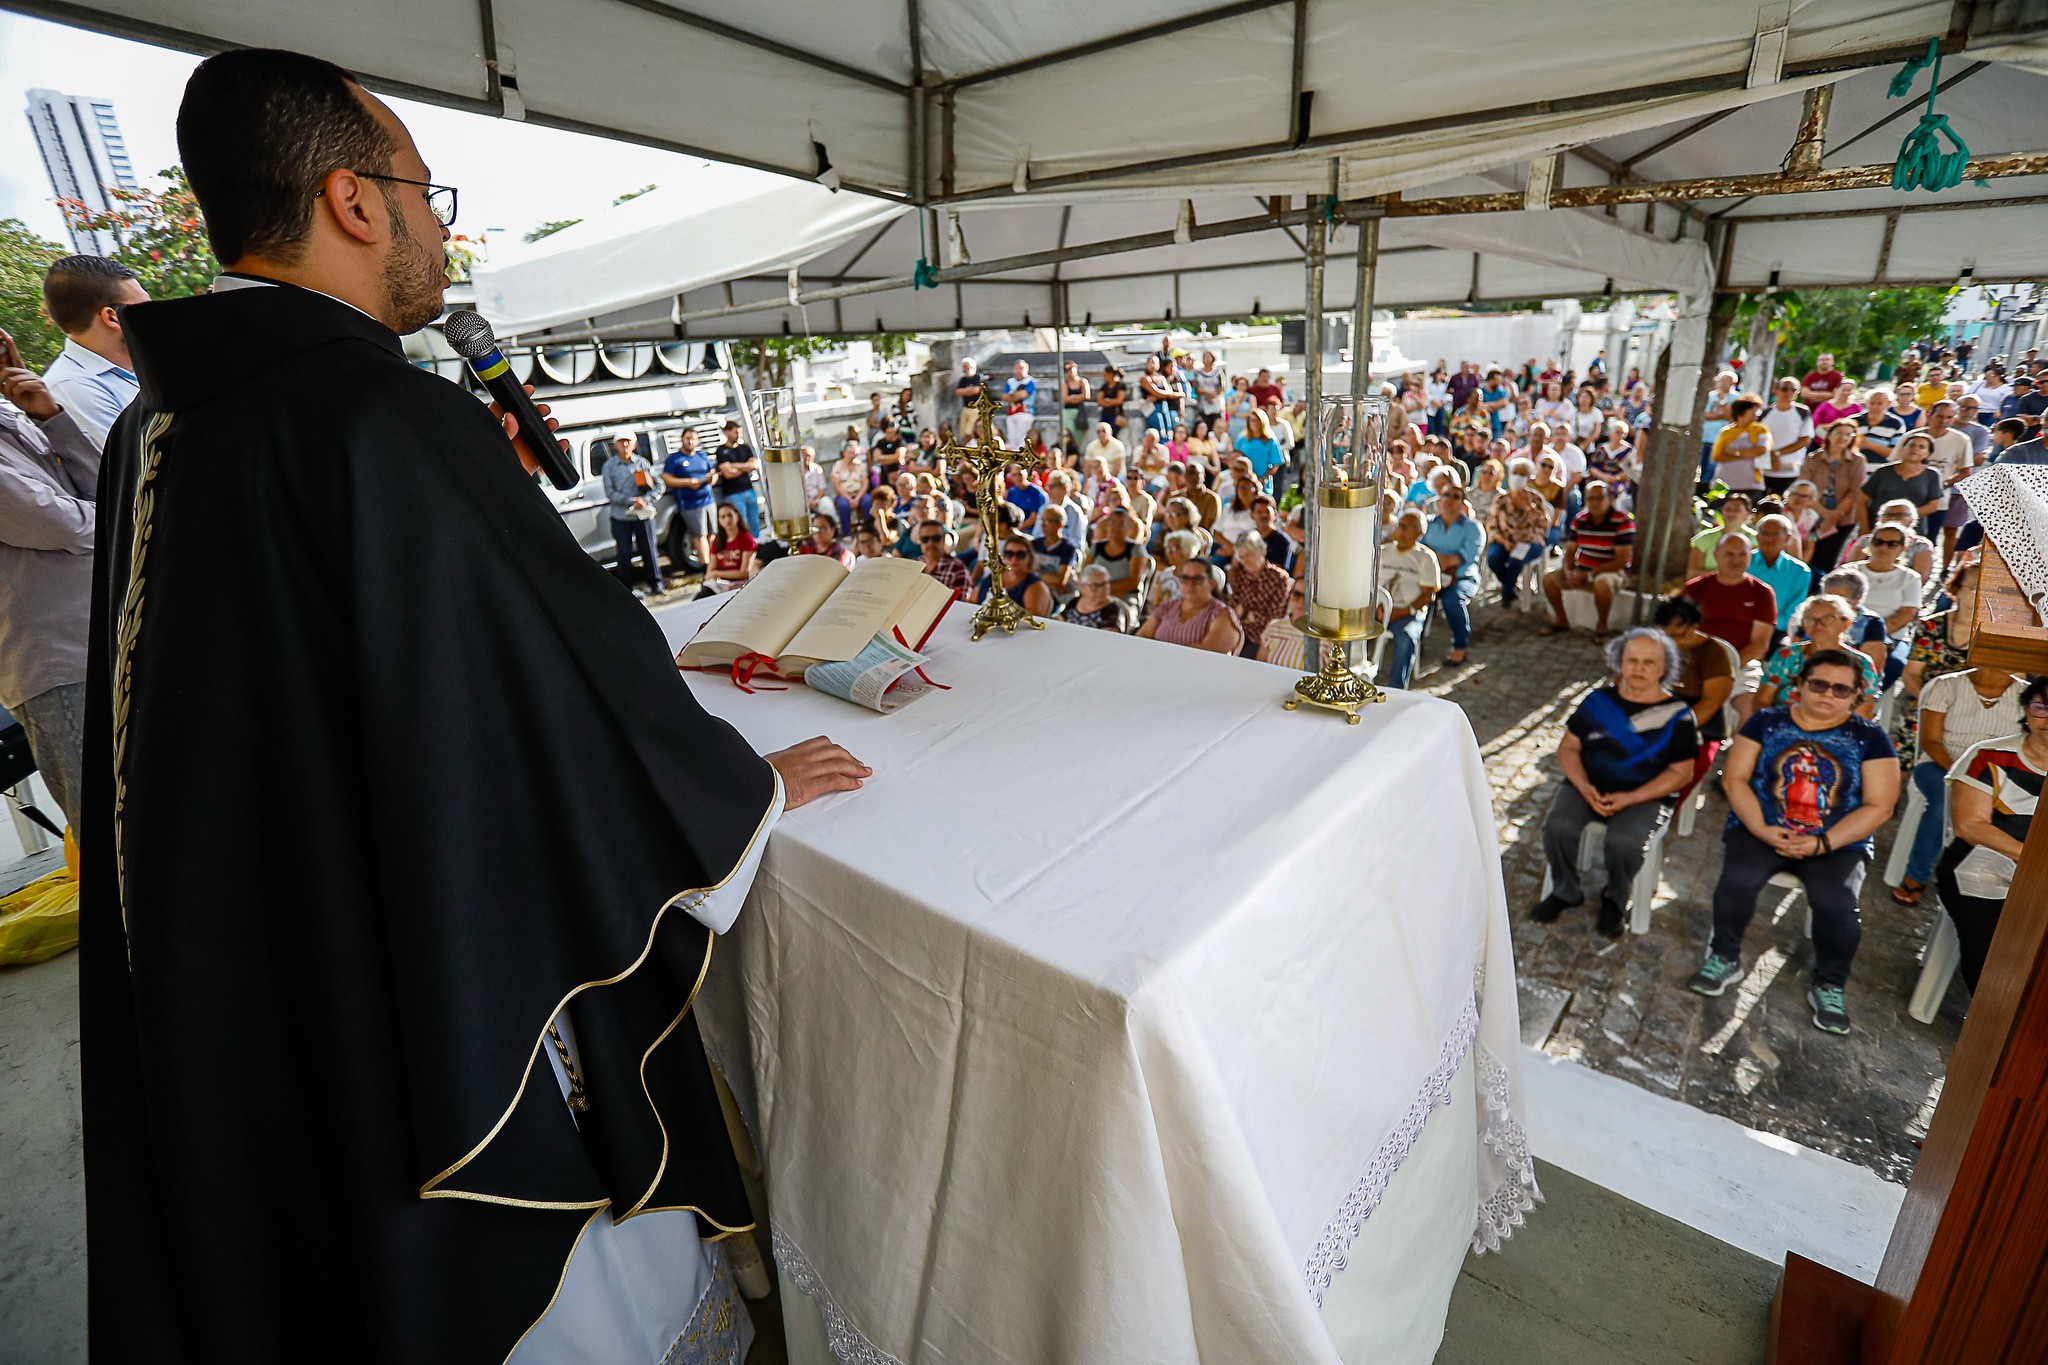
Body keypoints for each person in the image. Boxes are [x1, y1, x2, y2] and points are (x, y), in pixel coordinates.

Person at [84, 48, 872, 1365]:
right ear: (352, 199)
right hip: (414, 1012)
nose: (440, 226)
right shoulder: (377, 417)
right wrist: (748, 782)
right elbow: (567, 704)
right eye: (424, 190)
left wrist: (470, 517)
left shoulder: (154, 431)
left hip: (251, 990)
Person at [1687, 649, 1900, 1035]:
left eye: (1840, 689)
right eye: (1818, 684)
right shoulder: (1766, 723)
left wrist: (1822, 843)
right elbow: (1734, 778)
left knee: (1837, 904)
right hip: (1761, 827)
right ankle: (1725, 956)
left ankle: (1830, 982)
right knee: (1738, 881)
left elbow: (1880, 806)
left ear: (1856, 695)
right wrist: (1761, 828)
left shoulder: (1870, 739)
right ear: (1799, 685)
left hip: (1836, 841)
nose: (1827, 694)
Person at [1532, 629, 1701, 937]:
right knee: (1558, 828)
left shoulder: (1678, 715)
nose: (1639, 668)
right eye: (1632, 660)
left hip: (1646, 794)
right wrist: (1583, 787)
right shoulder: (1598, 701)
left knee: (1624, 844)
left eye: (1649, 662)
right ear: (1619, 663)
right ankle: (1566, 890)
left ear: (1665, 668)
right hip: (1589, 785)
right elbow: (1569, 747)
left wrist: (1630, 798)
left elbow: (1681, 773)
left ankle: (1615, 897)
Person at [0, 328, 97, 831]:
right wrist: (124, 519)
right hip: (57, 662)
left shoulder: (17, 416)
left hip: (103, 636)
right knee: (114, 831)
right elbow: (56, 522)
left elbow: (103, 485)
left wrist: (50, 417)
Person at [1936, 679, 2048, 991]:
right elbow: (1969, 825)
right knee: (1993, 948)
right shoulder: (1990, 755)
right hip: (1981, 866)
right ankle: (1990, 1019)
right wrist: (2033, 861)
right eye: (2042, 707)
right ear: (2026, 710)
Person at [1894, 664, 2029, 908]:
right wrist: (1964, 775)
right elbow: (1931, 741)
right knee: (1941, 804)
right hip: (1941, 764)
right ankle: (1916, 875)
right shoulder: (1946, 685)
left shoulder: (2027, 695)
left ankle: (1978, 888)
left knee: (2013, 813)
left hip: (1998, 775)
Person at [38, 254, 148, 447]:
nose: (157, 316)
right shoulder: (72, 387)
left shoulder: (138, 367)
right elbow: (138, 464)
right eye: (146, 307)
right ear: (112, 317)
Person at [1684, 533, 1778, 726]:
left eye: (1742, 554)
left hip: (1742, 664)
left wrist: (1727, 668)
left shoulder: (1762, 593)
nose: (1736, 560)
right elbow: (1680, 633)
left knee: (1750, 712)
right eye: (1729, 554)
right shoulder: (1695, 589)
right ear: (1716, 555)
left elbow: (1759, 644)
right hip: (1696, 662)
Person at [1755, 594, 1882, 713]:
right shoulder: (1787, 655)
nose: (1818, 625)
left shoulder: (1861, 663)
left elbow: (1863, 712)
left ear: (1846, 624)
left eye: (1828, 619)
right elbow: (1762, 700)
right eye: (1810, 620)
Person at [1541, 480, 1633, 641]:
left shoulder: (1623, 521)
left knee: (1602, 584)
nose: (1594, 503)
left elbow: (1620, 560)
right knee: (1549, 578)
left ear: (1610, 499)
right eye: (1590, 498)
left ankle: (1602, 626)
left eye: (1599, 498)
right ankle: (1561, 620)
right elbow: (1570, 552)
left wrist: (1588, 575)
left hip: (1612, 571)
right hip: (1583, 568)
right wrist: (1569, 572)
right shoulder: (1580, 519)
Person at [1656, 595, 1736, 766]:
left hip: (1700, 726)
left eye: (1679, 635)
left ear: (1695, 626)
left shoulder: (1714, 653)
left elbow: (1711, 703)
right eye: (1667, 637)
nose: (1673, 643)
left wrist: (1672, 731)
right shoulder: (1657, 645)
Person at [1378, 507, 1441, 689]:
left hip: (1408, 612)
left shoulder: (1426, 557)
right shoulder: (1383, 551)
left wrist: (1403, 611)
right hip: (1378, 609)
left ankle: (1397, 689)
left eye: (1408, 527)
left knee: (1407, 639)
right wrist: (1377, 607)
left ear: (1419, 533)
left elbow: (1428, 594)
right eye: (1401, 525)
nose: (1402, 530)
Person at [1423, 485, 1484, 666]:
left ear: (1462, 503)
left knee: (1453, 599)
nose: (1450, 500)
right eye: (1446, 495)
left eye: (1456, 496)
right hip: (1430, 575)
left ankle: (1460, 646)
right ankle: (1414, 639)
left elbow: (1466, 555)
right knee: (1416, 594)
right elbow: (1418, 548)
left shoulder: (1473, 527)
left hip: (1461, 577)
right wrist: (1438, 559)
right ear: (1439, 500)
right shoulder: (1428, 524)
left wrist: (1440, 558)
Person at [1797, 419, 1867, 575]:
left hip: (1842, 519)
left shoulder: (1857, 460)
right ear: (1829, 435)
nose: (1843, 438)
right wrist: (1825, 514)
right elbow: (1803, 487)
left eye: (1848, 434)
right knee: (1808, 554)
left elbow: (1855, 491)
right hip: (1812, 516)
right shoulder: (1813, 458)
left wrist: (1834, 516)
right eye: (1839, 433)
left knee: (1828, 558)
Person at [602, 433, 664, 596]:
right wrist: (631, 501)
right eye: (621, 442)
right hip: (621, 516)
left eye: (628, 442)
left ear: (634, 445)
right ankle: (626, 590)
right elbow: (610, 492)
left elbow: (659, 486)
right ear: (615, 445)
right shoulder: (609, 466)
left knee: (649, 549)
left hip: (642, 515)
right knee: (623, 552)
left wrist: (645, 499)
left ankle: (656, 584)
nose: (625, 446)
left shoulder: (642, 462)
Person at [1138, 558, 1242, 653]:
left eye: (1197, 579)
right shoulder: (1167, 607)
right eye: (1185, 578)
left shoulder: (1221, 614)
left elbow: (1211, 652)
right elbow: (1141, 638)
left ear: (1212, 584)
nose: (1190, 584)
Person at [1486, 463, 1551, 606]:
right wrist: (1504, 542)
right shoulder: (1500, 499)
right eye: (1515, 473)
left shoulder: (1535, 499)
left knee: (1516, 560)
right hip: (1504, 539)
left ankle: (1507, 593)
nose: (1517, 478)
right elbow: (1492, 526)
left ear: (1529, 478)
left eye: (1522, 474)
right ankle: (1510, 587)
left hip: (1530, 541)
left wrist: (1529, 507)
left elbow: (1544, 525)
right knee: (1493, 559)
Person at [1862, 430, 1944, 538]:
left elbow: (1932, 506)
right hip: (1878, 529)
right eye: (1911, 445)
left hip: (1913, 532)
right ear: (1902, 448)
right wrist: (1864, 528)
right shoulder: (1883, 471)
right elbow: (1862, 500)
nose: (1915, 449)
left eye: (1921, 447)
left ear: (1928, 453)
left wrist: (1903, 518)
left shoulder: (1932, 475)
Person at [660, 425, 716, 571]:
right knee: (700, 536)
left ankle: (715, 565)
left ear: (697, 441)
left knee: (712, 535)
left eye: (693, 439)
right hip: (690, 504)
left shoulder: (702, 456)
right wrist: (688, 482)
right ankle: (706, 568)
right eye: (687, 439)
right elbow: (667, 478)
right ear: (682, 440)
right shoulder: (675, 459)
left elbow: (713, 472)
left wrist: (712, 479)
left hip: (709, 501)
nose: (690, 442)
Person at [1227, 532, 1291, 655]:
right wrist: (1248, 616)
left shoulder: (1279, 578)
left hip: (1262, 638)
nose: (1245, 561)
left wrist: (1245, 613)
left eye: (1248, 555)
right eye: (1241, 557)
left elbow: (1275, 618)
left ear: (1262, 550)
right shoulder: (1242, 576)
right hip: (1237, 633)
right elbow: (1232, 610)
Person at [1748, 514, 1810, 636]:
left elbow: (1793, 611)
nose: (1770, 539)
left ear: (1788, 538)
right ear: (1757, 536)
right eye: (1765, 534)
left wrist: (1765, 626)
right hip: (1738, 625)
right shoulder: (1742, 562)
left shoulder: (1800, 571)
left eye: (1776, 534)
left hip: (1777, 632)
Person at [975, 532, 1053, 617]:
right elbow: (972, 602)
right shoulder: (993, 577)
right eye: (1009, 554)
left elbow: (1033, 620)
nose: (1014, 559)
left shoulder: (1036, 585)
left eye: (1020, 555)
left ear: (1029, 557)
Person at [1758, 377, 1813, 496]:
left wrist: (1777, 454)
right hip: (1764, 468)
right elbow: (1758, 439)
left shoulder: (1803, 412)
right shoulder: (1765, 413)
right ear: (1775, 390)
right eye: (1784, 389)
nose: (1789, 393)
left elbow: (1804, 441)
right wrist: (1771, 457)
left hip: (1790, 470)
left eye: (1793, 390)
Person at [709, 418, 761, 537]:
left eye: (740, 432)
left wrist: (734, 465)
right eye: (735, 432)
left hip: (749, 490)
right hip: (733, 493)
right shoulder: (722, 450)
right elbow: (728, 473)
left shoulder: (745, 447)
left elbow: (754, 465)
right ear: (727, 432)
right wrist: (745, 468)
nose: (738, 435)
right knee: (741, 523)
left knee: (755, 521)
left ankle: (756, 545)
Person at [1710, 393, 1771, 493]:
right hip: (1723, 482)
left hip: (1751, 484)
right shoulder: (1726, 432)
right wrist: (1746, 454)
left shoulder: (1760, 430)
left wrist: (1734, 452)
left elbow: (1761, 450)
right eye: (1753, 410)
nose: (1757, 413)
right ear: (1741, 412)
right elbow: (1717, 456)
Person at [1686, 492, 1757, 577]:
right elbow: (1692, 573)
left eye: (1737, 510)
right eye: (1728, 509)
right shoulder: (1705, 538)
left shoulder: (1757, 539)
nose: (1731, 513)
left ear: (1747, 514)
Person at [694, 500, 756, 596]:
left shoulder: (746, 539)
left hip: (741, 584)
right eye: (723, 517)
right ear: (718, 520)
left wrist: (717, 574)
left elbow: (744, 573)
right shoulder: (717, 540)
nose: (727, 520)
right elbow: (710, 570)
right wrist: (715, 574)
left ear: (737, 516)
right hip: (719, 583)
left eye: (730, 515)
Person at [1059, 563, 1133, 632]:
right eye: (1095, 586)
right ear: (1082, 587)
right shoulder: (1074, 602)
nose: (1101, 589)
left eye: (1104, 584)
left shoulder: (1113, 610)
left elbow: (1108, 638)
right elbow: (1059, 623)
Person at [1029, 504, 1079, 599]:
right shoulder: (1034, 544)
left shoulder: (1068, 548)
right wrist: (1050, 582)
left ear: (1059, 524)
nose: (1043, 525)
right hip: (1035, 591)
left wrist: (1034, 575)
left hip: (1056, 597)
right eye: (1042, 520)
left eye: (1047, 521)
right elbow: (1024, 572)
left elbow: (1060, 579)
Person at [916, 517, 973, 595]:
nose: (930, 543)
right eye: (925, 539)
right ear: (920, 541)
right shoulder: (913, 565)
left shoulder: (957, 570)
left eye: (936, 538)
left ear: (943, 539)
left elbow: (959, 604)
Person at [955, 356, 985, 435]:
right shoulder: (963, 380)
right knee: (963, 432)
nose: (964, 369)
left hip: (975, 408)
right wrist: (969, 390)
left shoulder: (978, 377)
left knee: (969, 432)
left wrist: (965, 391)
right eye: (963, 366)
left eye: (966, 366)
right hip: (965, 408)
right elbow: (958, 392)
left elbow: (976, 390)